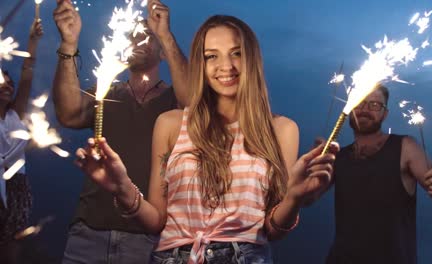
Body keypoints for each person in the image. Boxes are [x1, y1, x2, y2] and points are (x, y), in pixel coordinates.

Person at [76, 15, 339, 264]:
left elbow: (272, 229)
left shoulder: (282, 129)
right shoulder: (170, 124)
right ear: (201, 64)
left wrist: (293, 198)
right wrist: (122, 187)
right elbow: (157, 221)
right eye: (211, 56)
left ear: (253, 59)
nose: (226, 66)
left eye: (236, 53)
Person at [52, 0, 189, 263]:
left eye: (146, 35)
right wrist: (69, 43)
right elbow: (68, 114)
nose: (137, 39)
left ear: (162, 51)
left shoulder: (176, 100)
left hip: (151, 238)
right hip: (90, 231)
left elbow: (195, 104)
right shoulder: (105, 93)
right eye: (132, 35)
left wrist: (164, 34)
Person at [326, 84, 432, 264]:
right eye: (360, 103)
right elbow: (306, 199)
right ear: (350, 108)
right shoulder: (338, 156)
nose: (365, 109)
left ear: (385, 114)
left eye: (374, 105)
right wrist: (308, 171)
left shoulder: (406, 147)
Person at [0, 18, 43, 264]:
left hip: (17, 186)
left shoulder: (16, 113)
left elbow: (27, 74)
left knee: (12, 242)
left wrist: (32, 41)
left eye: (10, 82)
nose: (8, 85)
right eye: (2, 81)